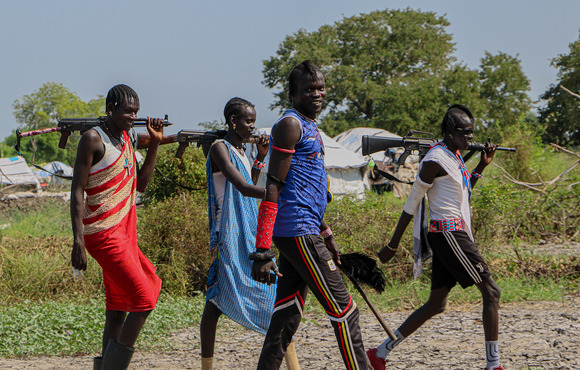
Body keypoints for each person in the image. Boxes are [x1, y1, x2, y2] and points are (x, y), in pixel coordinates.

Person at [250, 60, 370, 369]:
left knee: (287, 313)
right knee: (345, 310)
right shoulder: (290, 125)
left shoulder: (310, 126)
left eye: (320, 88)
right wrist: (262, 251)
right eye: (308, 89)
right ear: (292, 94)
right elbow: (273, 187)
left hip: (305, 229)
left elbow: (305, 192)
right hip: (297, 231)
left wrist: (326, 233)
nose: (316, 93)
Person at [367, 105, 503, 370]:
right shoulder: (434, 160)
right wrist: (393, 244)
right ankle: (493, 365)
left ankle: (379, 354)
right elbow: (412, 203)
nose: (470, 139)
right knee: (492, 292)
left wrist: (481, 166)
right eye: (465, 133)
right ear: (450, 132)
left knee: (436, 304)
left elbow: (460, 194)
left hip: (453, 233)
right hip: (448, 234)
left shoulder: (454, 156)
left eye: (472, 133)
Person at [200, 97, 299, 370]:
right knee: (215, 304)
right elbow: (243, 188)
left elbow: (250, 185)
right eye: (248, 121)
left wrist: (263, 158)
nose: (253, 127)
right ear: (233, 121)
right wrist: (279, 194)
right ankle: (206, 366)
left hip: (247, 231)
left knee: (273, 297)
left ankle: (293, 365)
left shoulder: (241, 150)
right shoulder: (220, 149)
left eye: (253, 121)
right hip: (226, 235)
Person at [70, 84, 164, 370]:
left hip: (125, 233)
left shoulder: (127, 137)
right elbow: (77, 191)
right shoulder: (92, 140)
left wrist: (156, 144)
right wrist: (78, 241)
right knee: (144, 298)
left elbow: (142, 185)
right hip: (102, 233)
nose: (131, 116)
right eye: (126, 111)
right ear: (110, 109)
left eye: (135, 111)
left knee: (117, 309)